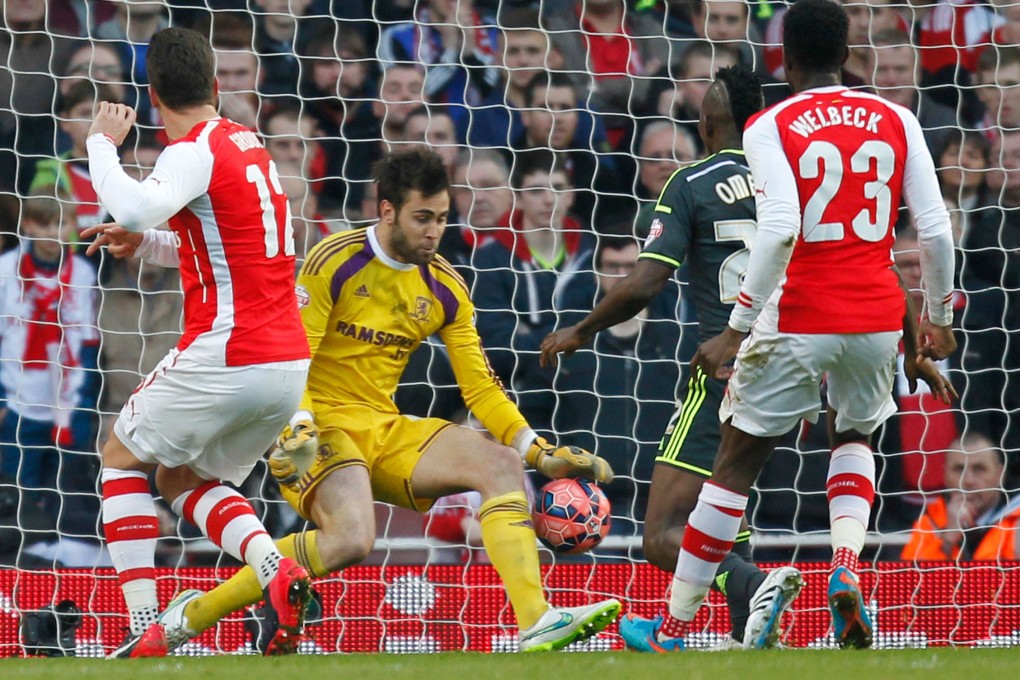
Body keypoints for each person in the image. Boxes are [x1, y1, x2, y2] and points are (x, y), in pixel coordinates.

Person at [131, 148, 620, 656]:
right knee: (351, 539)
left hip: (381, 426)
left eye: (442, 219)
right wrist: (297, 426)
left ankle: (536, 620)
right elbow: (290, 355)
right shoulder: (333, 262)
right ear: (387, 211)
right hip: (312, 428)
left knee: (499, 464)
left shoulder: (446, 287)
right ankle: (192, 614)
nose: (434, 232)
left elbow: (480, 387)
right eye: (422, 218)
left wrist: (538, 452)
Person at [645, 0, 957, 651]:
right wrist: (937, 317)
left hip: (800, 313)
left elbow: (782, 227)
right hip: (876, 315)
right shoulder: (897, 118)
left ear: (785, 59)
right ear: (849, 55)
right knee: (855, 437)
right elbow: (934, 229)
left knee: (734, 463)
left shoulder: (770, 123)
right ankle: (846, 566)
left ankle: (671, 628)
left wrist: (736, 327)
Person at [542, 65, 800, 650]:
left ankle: (753, 586)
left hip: (725, 371)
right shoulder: (791, 184)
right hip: (793, 369)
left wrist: (580, 329)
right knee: (726, 509)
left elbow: (645, 283)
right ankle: (751, 633)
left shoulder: (691, 182)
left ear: (706, 124)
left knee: (662, 533)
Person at [81, 27, 312, 658]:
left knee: (119, 458)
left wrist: (101, 141)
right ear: (215, 84)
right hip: (286, 363)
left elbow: (130, 207)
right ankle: (276, 570)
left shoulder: (193, 150)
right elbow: (221, 246)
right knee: (180, 480)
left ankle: (144, 624)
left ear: (152, 96)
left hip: (230, 353)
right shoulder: (250, 146)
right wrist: (146, 243)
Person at [902, 433, 1020, 561]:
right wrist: (948, 540)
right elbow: (915, 578)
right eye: (959, 469)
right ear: (945, 475)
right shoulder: (930, 521)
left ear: (1000, 474)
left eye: (979, 469)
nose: (968, 480)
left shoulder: (1016, 517)